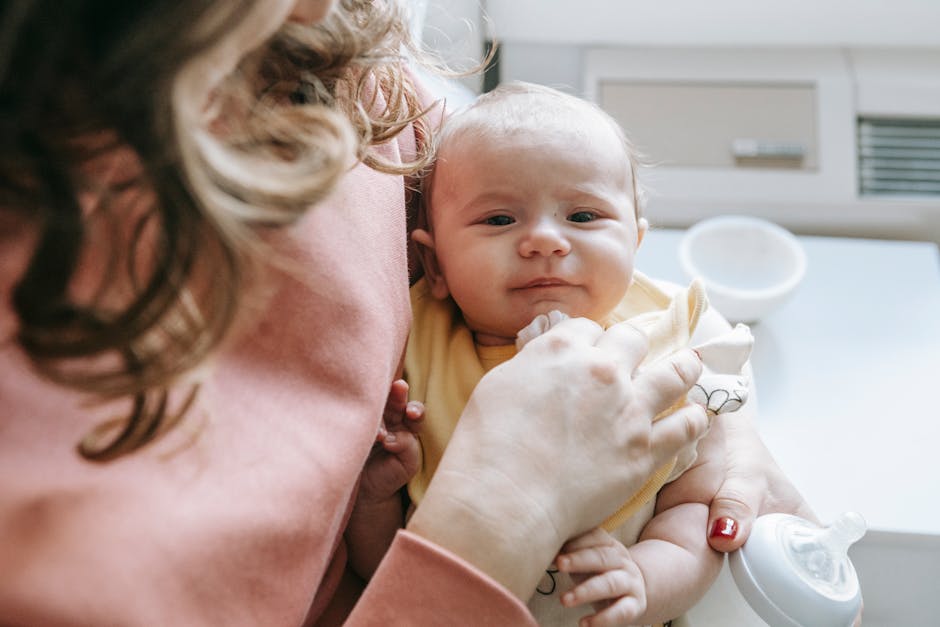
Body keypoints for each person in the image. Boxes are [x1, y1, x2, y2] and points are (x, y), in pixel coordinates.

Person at [0, 1, 816, 625]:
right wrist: (498, 511)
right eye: (501, 225)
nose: (336, 10)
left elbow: (543, 190)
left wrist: (724, 420)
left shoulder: (325, 50)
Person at [344, 81, 756, 627]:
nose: (544, 241)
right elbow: (387, 577)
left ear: (634, 244)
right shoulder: (413, 354)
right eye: (499, 219)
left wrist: (646, 582)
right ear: (436, 264)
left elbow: (693, 513)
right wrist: (373, 502)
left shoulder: (664, 339)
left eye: (583, 217)